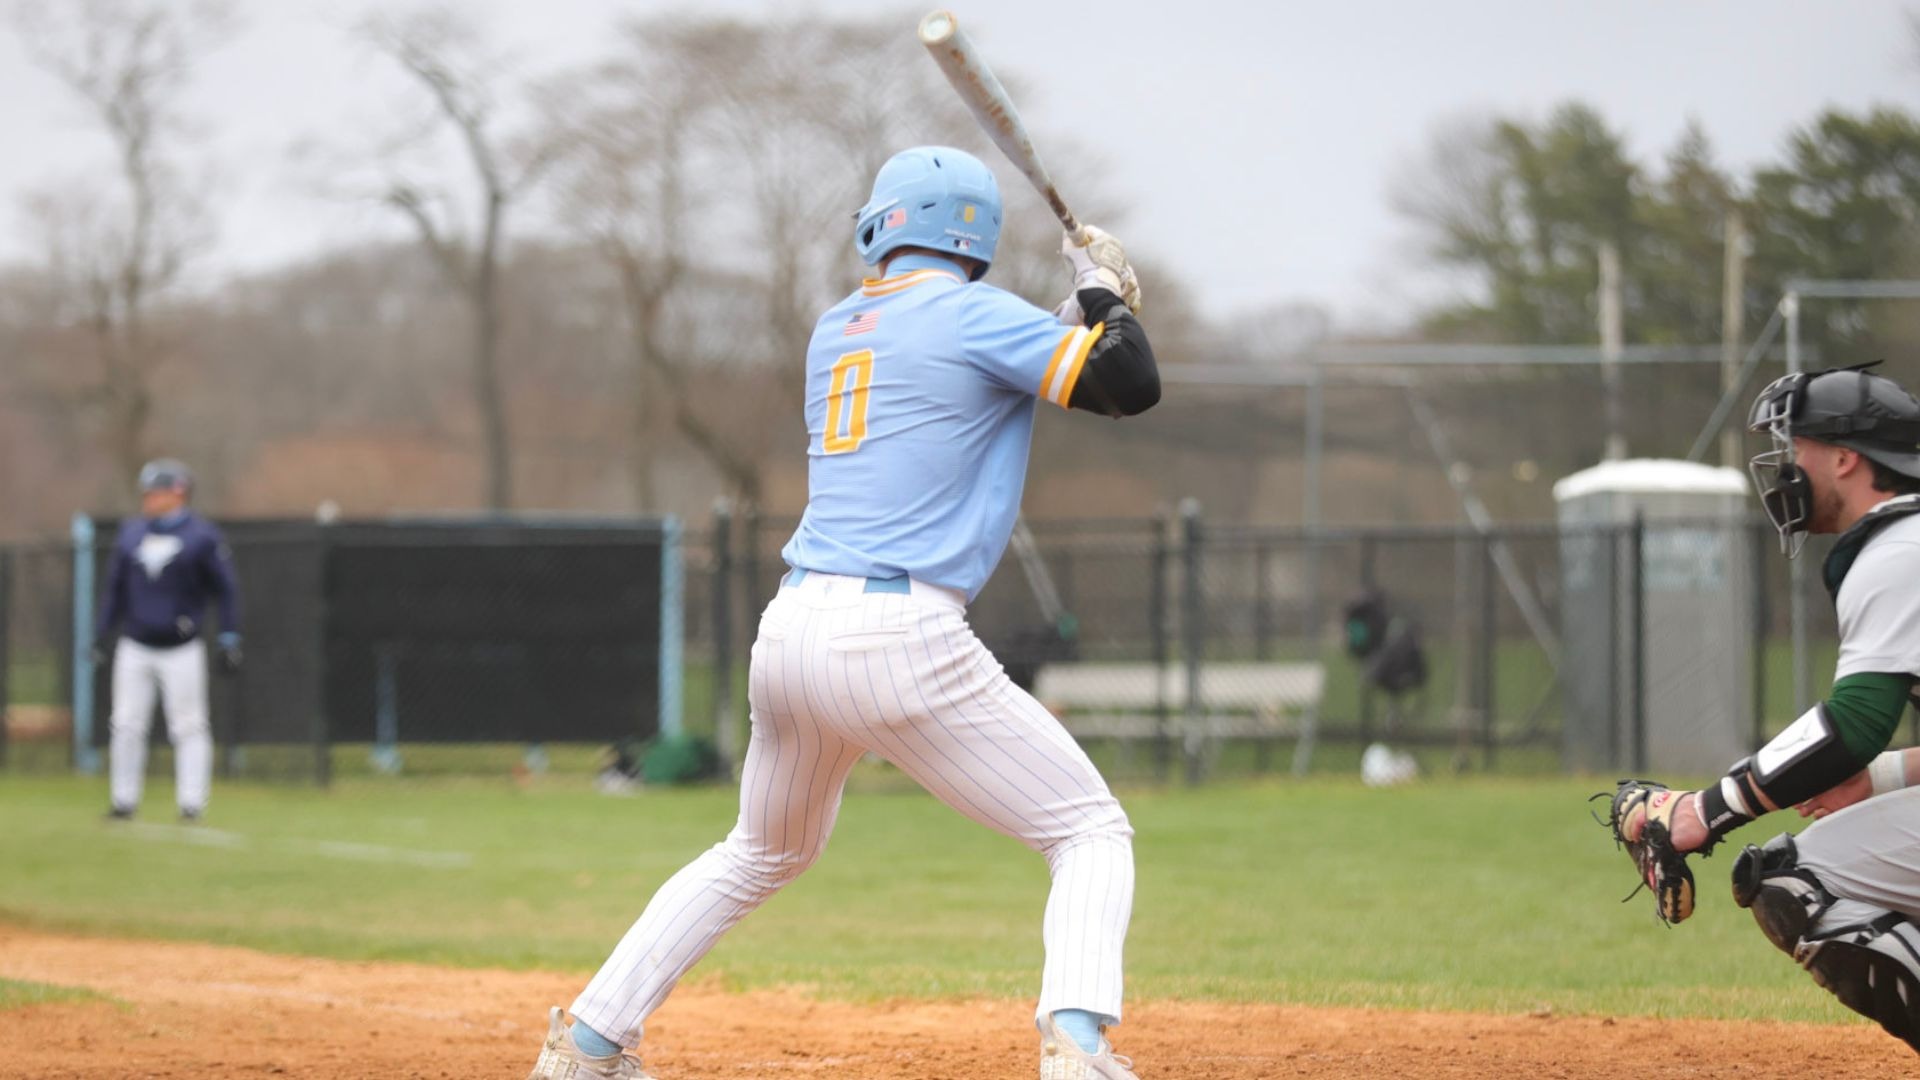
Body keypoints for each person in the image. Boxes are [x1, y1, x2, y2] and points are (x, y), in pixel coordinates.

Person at [526, 146, 1161, 1080]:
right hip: (897, 635)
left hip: (791, 635)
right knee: (1088, 831)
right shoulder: (973, 317)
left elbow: (995, 355)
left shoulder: (843, 324)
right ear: (975, 241)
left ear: (885, 223)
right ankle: (1077, 1045)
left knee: (757, 851)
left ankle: (586, 1046)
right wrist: (1104, 292)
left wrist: (1082, 305)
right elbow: (1128, 382)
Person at [1603, 363, 1920, 1052]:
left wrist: (1699, 812)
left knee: (1793, 879)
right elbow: (1862, 746)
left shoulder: (1900, 546)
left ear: (1844, 458)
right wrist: (1880, 780)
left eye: (1796, 447)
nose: (1786, 468)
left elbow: (1855, 724)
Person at [95, 458, 243, 822]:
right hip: (135, 644)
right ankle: (123, 800)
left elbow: (225, 590)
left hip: (182, 647)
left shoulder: (202, 537)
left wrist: (228, 636)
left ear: (178, 492)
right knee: (127, 723)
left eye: (155, 491)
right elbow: (114, 590)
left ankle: (192, 803)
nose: (148, 499)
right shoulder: (132, 534)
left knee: (189, 725)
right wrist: (101, 634)